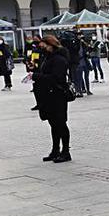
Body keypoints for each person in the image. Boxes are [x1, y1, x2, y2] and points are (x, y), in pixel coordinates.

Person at [33, 35, 72, 163]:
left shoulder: (59, 59)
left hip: (58, 96)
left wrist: (36, 76)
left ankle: (65, 152)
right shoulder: (48, 57)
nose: (41, 47)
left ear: (50, 45)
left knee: (60, 124)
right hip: (48, 96)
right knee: (53, 124)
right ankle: (55, 150)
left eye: (43, 45)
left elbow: (56, 78)